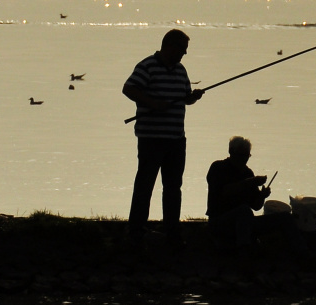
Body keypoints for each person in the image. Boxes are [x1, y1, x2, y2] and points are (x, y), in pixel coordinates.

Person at [123, 29, 204, 246]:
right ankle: (136, 229)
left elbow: (184, 99)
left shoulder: (181, 70)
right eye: (182, 49)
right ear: (170, 46)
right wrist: (153, 104)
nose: (184, 54)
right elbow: (128, 89)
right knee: (145, 184)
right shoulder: (147, 66)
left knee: (173, 187)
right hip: (151, 138)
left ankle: (172, 230)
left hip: (176, 139)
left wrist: (193, 97)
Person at [206, 136, 292, 248]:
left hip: (245, 221)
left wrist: (262, 196)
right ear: (231, 152)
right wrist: (250, 182)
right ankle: (245, 250)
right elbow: (223, 192)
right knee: (244, 211)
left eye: (246, 156)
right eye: (240, 155)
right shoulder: (218, 167)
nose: (244, 159)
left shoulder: (248, 173)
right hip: (219, 222)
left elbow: (256, 206)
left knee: (285, 217)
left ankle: (301, 252)